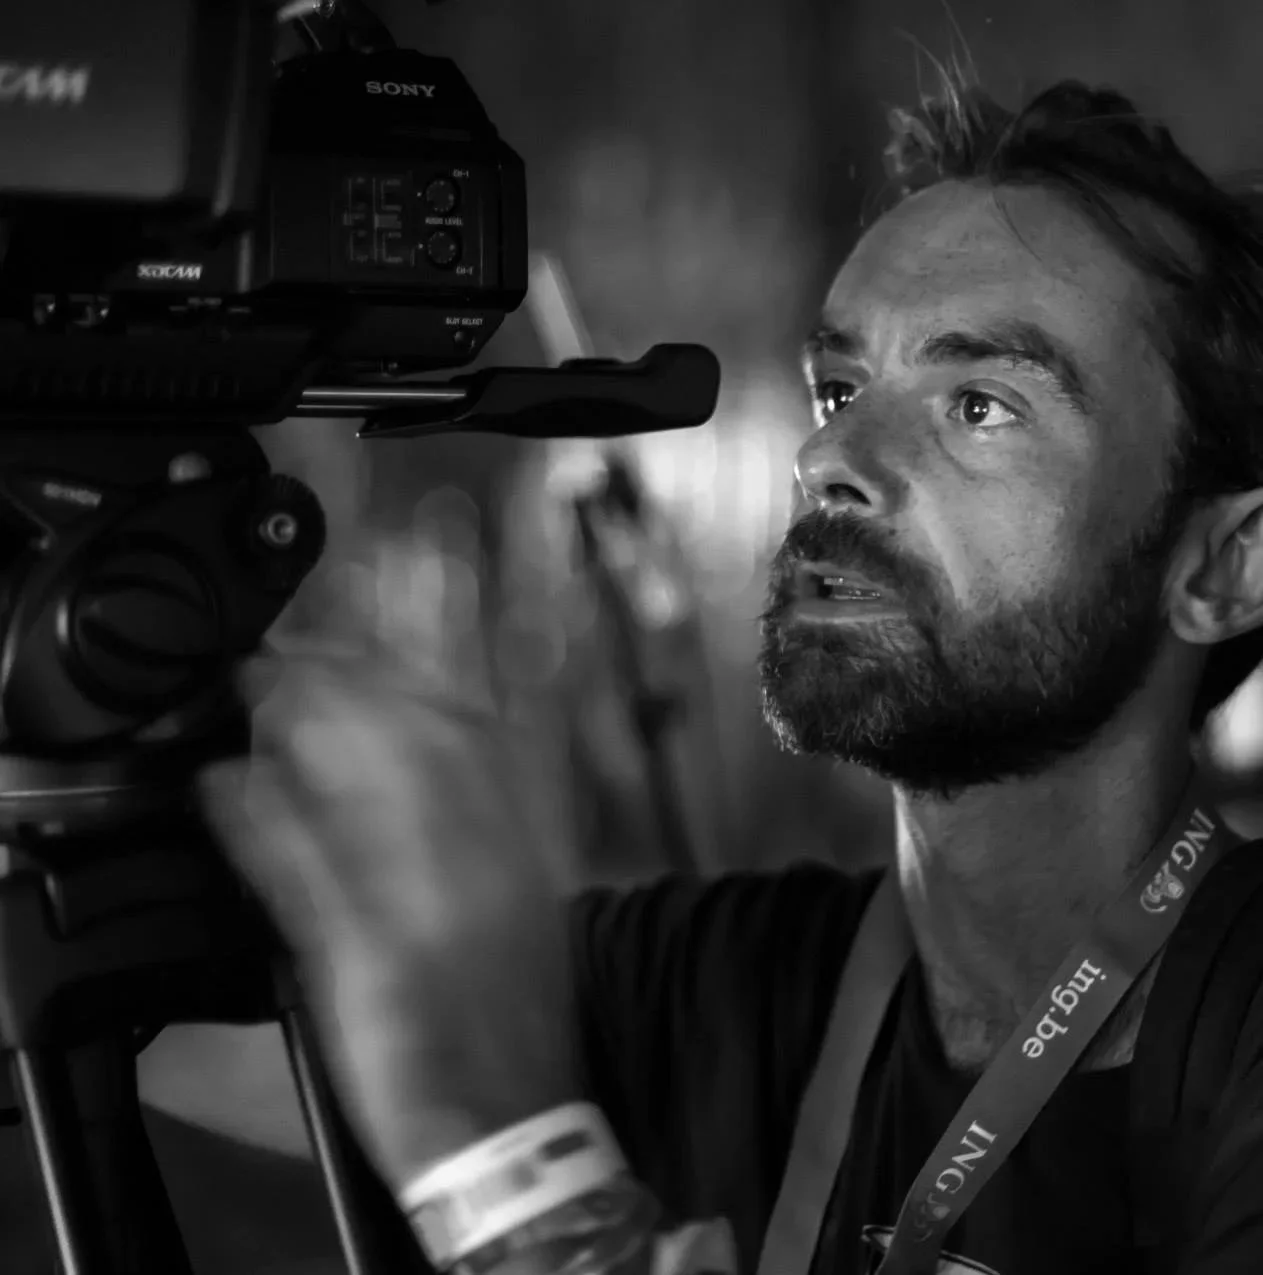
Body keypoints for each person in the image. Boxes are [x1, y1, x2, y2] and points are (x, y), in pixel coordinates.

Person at [199, 69, 1263, 1275]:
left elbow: (463, 1114)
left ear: (1223, 564)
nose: (830, 456)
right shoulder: (704, 988)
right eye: (840, 387)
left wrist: (522, 1187)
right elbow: (184, 1065)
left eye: (979, 404)